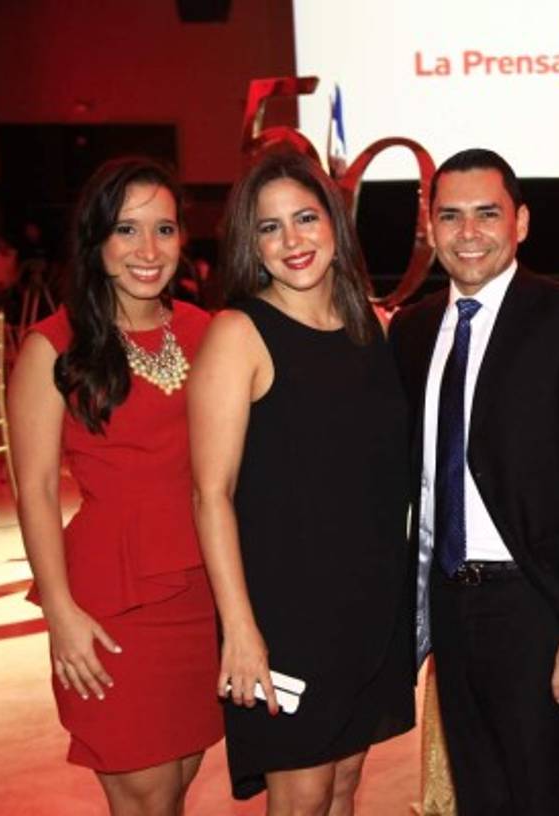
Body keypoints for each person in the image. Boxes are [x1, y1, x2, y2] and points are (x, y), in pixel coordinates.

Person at [388, 148, 559, 815]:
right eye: (450, 216)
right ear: (430, 228)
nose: (468, 232)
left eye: (486, 213)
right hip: (449, 600)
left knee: (543, 795)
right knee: (480, 793)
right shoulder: (412, 333)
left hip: (536, 605)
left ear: (521, 222)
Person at [189, 146, 413, 812]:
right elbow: (210, 494)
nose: (292, 240)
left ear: (335, 226)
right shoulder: (239, 333)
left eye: (306, 218)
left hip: (369, 607)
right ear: (250, 245)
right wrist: (240, 628)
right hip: (285, 615)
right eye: (269, 227)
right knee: (303, 793)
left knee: (344, 783)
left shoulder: (370, 327)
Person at [8, 157, 221, 813]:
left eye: (163, 229)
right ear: (97, 240)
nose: (148, 250)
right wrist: (61, 615)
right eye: (127, 230)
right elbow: (35, 489)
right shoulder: (54, 345)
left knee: (180, 778)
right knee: (146, 797)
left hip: (199, 592)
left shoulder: (204, 329)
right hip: (110, 604)